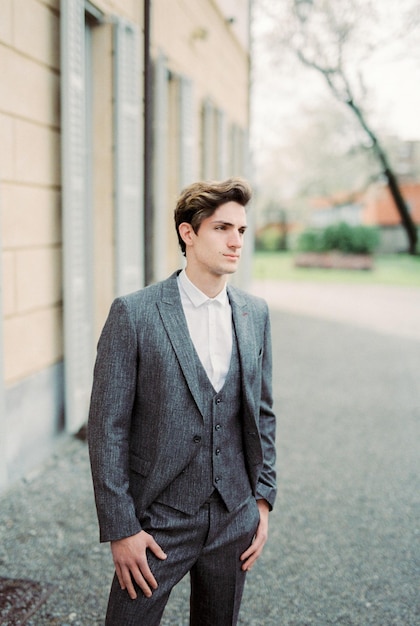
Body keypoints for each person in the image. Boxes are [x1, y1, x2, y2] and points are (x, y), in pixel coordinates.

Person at [88, 177, 277, 625]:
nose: (236, 242)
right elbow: (106, 428)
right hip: (156, 521)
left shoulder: (255, 313)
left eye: (242, 231)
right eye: (222, 228)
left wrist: (262, 503)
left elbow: (262, 412)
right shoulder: (134, 314)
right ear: (187, 233)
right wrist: (122, 529)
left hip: (234, 516)